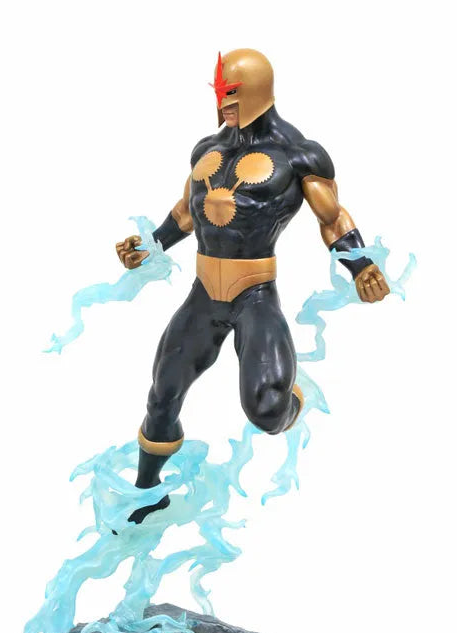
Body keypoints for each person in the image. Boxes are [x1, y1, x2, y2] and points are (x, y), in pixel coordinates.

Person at [116, 49, 389, 525]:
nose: (223, 103)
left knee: (267, 409)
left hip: (254, 294)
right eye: (219, 93)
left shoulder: (298, 155)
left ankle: (296, 395)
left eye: (232, 93)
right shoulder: (206, 150)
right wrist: (150, 245)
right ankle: (146, 495)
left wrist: (361, 265)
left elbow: (332, 217)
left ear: (257, 89)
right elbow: (185, 213)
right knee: (162, 395)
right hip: (204, 292)